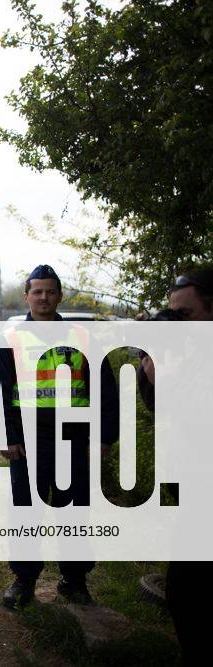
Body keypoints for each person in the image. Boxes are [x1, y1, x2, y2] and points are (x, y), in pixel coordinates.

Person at [0, 264, 119, 608]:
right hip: (26, 442)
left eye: (50, 291)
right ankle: (24, 580)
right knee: (26, 511)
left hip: (74, 438)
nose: (43, 297)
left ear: (59, 295)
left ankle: (74, 580)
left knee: (74, 512)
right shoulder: (10, 338)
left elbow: (105, 389)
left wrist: (104, 436)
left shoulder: (83, 336)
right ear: (26, 296)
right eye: (37, 291)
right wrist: (5, 436)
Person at [136, 268, 213, 665]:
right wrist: (150, 370)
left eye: (185, 315)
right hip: (192, 494)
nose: (176, 322)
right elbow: (162, 410)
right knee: (185, 597)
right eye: (172, 314)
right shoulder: (194, 353)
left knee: (187, 596)